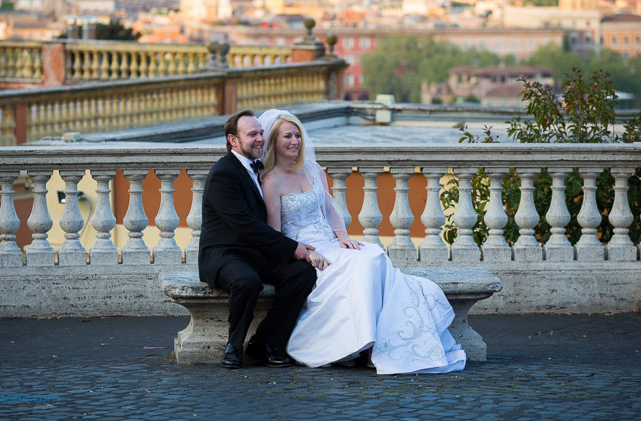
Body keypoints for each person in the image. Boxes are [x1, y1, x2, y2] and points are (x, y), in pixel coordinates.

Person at [258, 109, 467, 375]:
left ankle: (374, 344)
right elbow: (275, 232)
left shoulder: (311, 170)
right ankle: (358, 346)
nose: (295, 141)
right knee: (356, 269)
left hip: (330, 240)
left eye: (297, 135)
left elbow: (330, 208)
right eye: (287, 136)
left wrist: (342, 236)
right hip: (306, 249)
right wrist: (304, 253)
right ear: (274, 141)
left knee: (373, 256)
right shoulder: (271, 182)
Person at [198, 109, 319, 369]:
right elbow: (246, 226)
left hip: (253, 253)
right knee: (246, 281)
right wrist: (291, 247)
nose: (259, 139)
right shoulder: (224, 173)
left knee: (302, 274)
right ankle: (234, 346)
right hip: (224, 254)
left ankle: (265, 341)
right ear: (233, 140)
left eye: (261, 133)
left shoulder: (258, 167)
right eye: (252, 134)